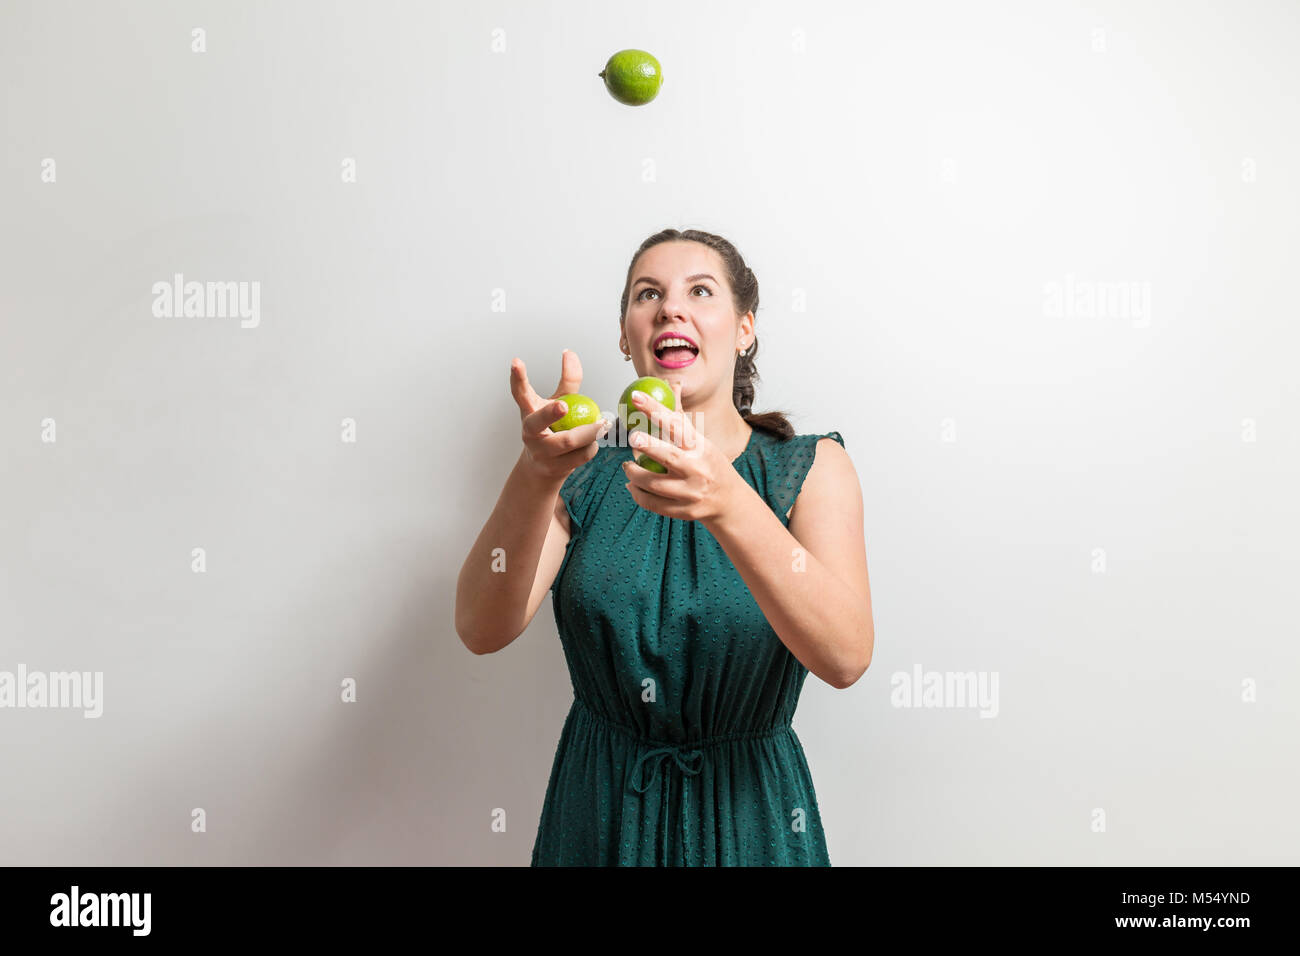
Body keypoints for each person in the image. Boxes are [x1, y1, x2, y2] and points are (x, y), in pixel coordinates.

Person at [455, 228, 874, 865]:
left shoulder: (812, 468)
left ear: (744, 329)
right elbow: (482, 627)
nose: (670, 308)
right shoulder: (587, 472)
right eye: (648, 294)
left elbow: (845, 657)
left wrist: (729, 502)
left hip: (751, 821)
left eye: (699, 291)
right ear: (626, 337)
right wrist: (536, 473)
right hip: (599, 815)